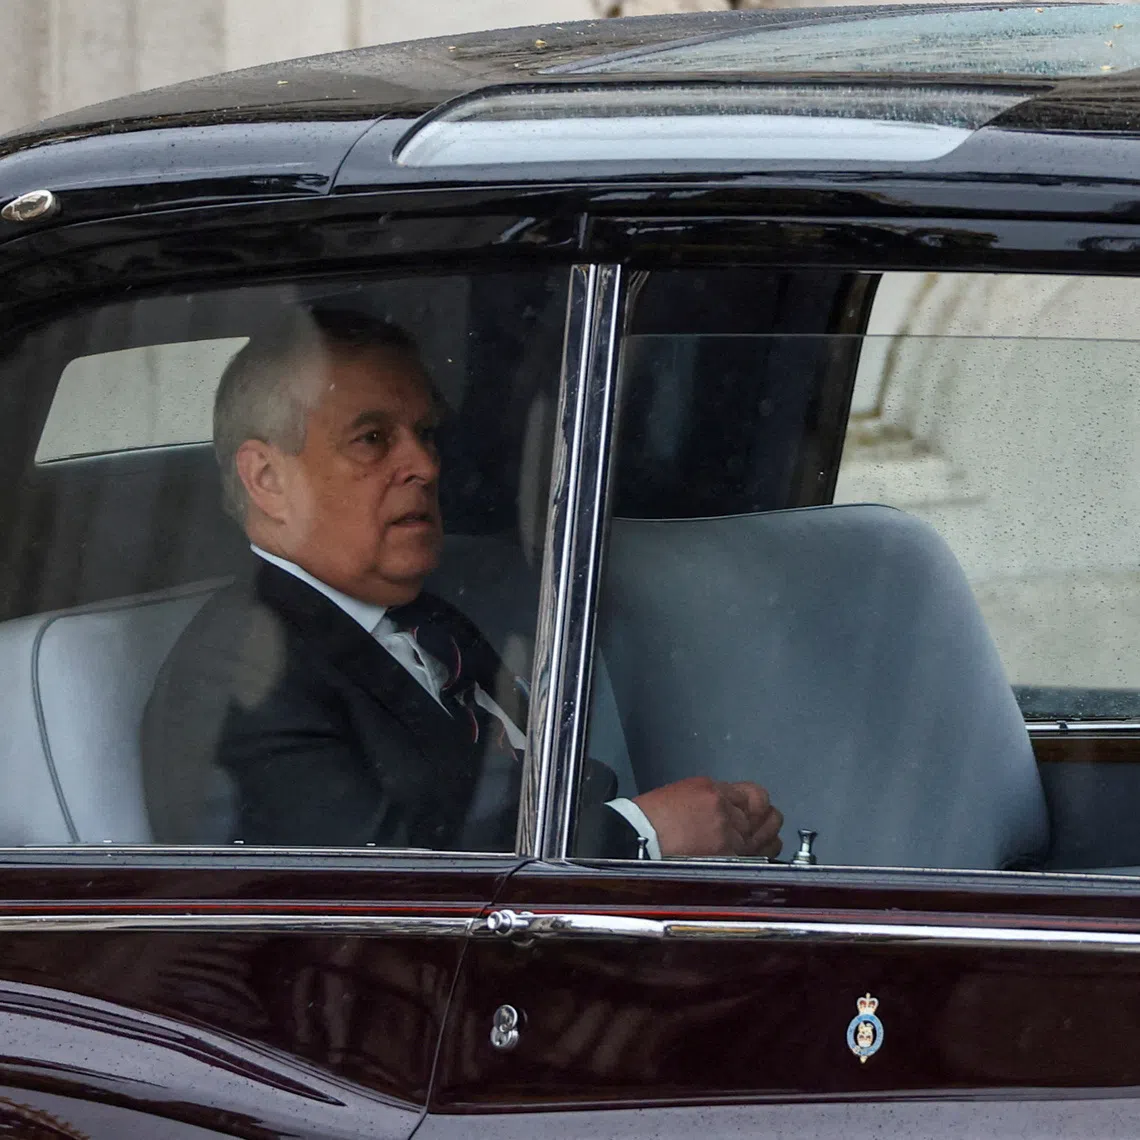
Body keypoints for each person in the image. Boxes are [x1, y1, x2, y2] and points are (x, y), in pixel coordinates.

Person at [142, 307, 784, 858]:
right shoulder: (237, 678)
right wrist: (642, 833)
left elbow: (542, 787)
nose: (423, 464)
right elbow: (380, 896)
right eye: (372, 439)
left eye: (424, 435)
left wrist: (712, 829)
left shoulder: (422, 621)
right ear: (268, 480)